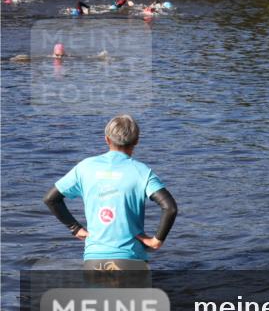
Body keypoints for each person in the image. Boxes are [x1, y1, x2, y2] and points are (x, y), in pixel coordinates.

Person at [43, 115, 178, 271]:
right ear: (136, 141)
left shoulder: (85, 167)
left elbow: (51, 199)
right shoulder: (142, 172)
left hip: (94, 260)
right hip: (131, 259)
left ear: (107, 139)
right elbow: (170, 208)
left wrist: (75, 228)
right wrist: (156, 241)